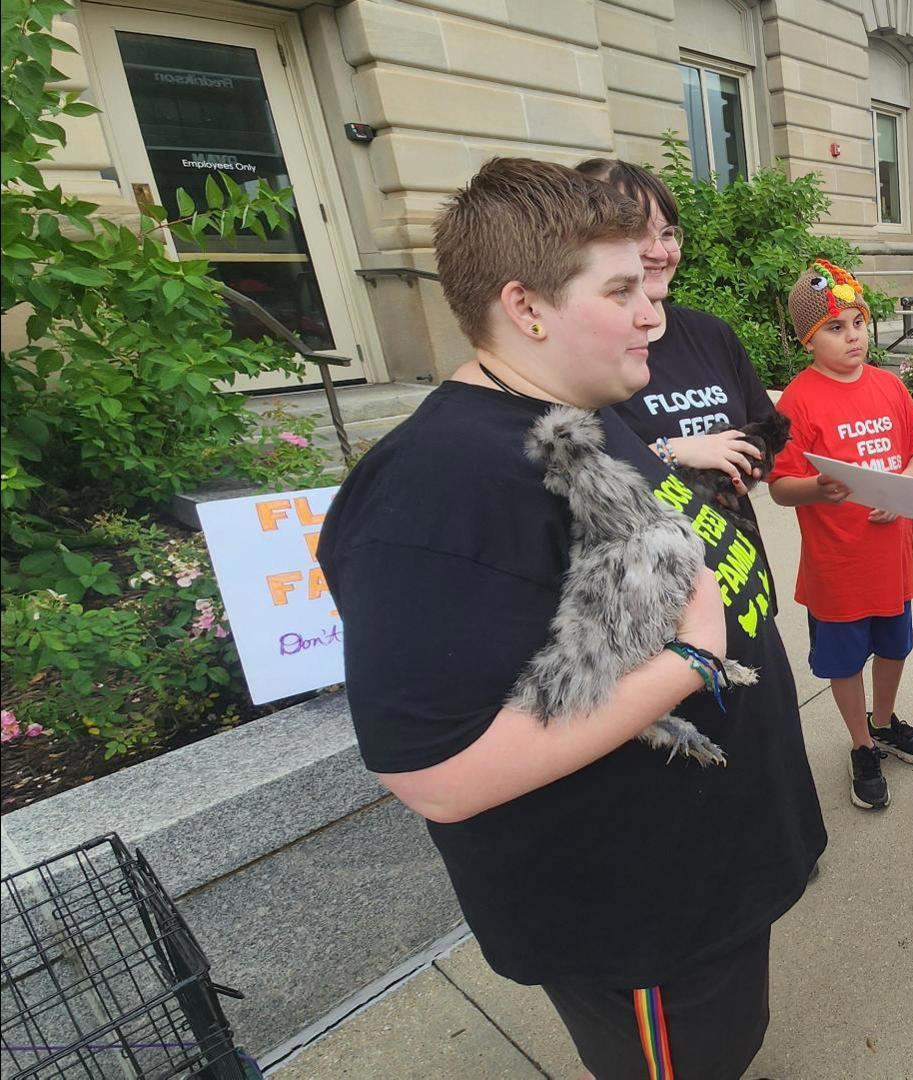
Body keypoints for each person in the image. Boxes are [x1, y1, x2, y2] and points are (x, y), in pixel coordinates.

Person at [316, 158, 825, 1079]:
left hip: (707, 873)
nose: (654, 313)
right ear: (527, 306)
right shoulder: (435, 490)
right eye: (623, 288)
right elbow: (433, 776)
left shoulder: (581, 407)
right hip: (638, 919)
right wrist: (692, 659)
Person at [768, 259, 913, 810]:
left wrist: (899, 490)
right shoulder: (798, 398)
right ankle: (861, 744)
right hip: (837, 566)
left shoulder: (889, 386)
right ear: (809, 339)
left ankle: (883, 722)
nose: (852, 337)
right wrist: (817, 487)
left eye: (857, 323)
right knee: (843, 661)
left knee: (895, 647)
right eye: (834, 328)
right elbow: (780, 486)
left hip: (892, 559)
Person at [575, 158, 779, 507]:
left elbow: (767, 428)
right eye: (637, 232)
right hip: (646, 555)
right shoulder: (578, 354)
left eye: (667, 233)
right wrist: (675, 452)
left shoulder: (711, 334)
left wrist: (745, 462)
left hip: (735, 552)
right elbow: (573, 482)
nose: (660, 251)